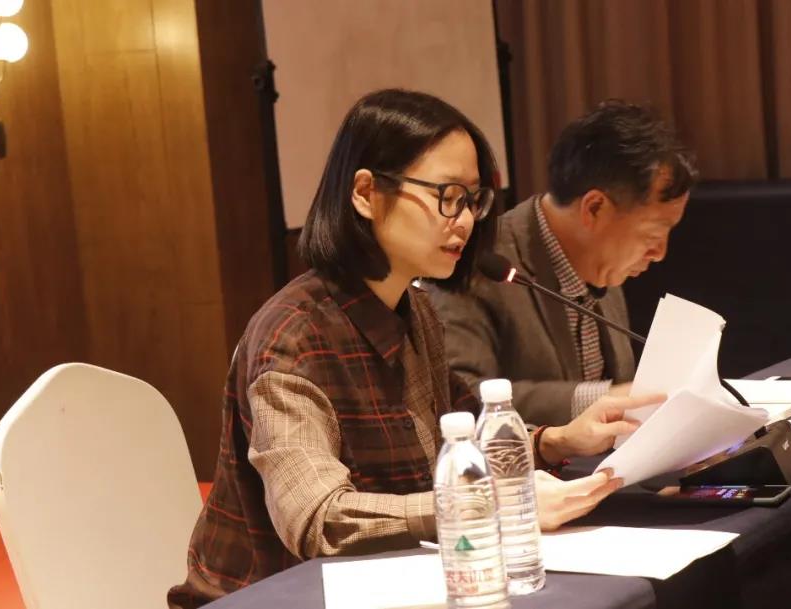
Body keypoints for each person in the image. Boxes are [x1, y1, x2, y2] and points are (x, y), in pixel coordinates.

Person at [167, 90, 664, 608]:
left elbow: (465, 431)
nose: (465, 220)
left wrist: (557, 440)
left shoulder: (414, 310)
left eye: (472, 200)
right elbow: (318, 519)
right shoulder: (292, 338)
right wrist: (482, 505)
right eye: (447, 196)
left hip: (393, 585)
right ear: (366, 193)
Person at [428, 100, 696, 427]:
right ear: (594, 208)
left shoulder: (602, 259)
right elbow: (461, 397)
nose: (660, 252)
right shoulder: (479, 263)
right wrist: (600, 399)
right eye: (653, 234)